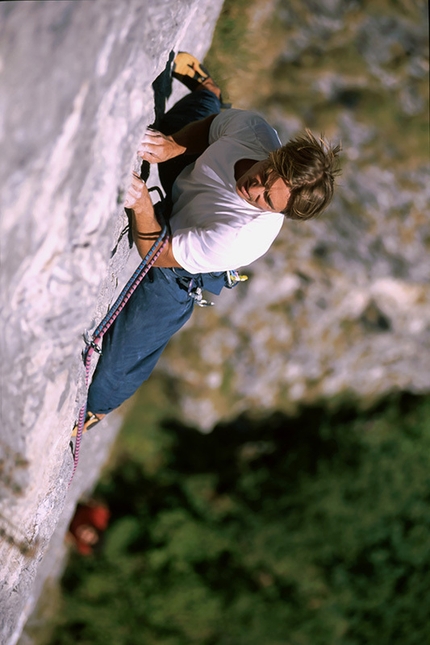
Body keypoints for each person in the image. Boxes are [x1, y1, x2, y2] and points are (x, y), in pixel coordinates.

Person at [78, 52, 341, 433]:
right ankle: (209, 89)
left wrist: (140, 204)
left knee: (116, 367)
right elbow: (212, 129)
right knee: (185, 125)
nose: (254, 187)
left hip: (179, 264)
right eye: (265, 174)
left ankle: (97, 408)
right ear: (275, 155)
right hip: (189, 174)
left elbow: (160, 255)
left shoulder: (244, 237)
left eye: (266, 199)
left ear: (279, 213)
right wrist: (171, 147)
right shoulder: (253, 131)